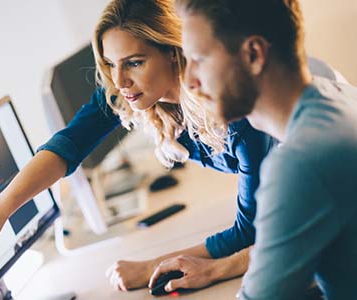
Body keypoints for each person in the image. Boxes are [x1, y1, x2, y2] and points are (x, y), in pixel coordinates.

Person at [0, 0, 338, 293]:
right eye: (110, 64)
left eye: (134, 62)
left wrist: (151, 268)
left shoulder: (236, 103)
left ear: (174, 53)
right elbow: (68, 144)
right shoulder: (134, 91)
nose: (119, 82)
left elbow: (253, 230)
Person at [149, 0, 357, 299]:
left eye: (199, 59)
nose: (189, 81)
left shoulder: (301, 163)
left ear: (253, 54)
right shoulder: (336, 96)